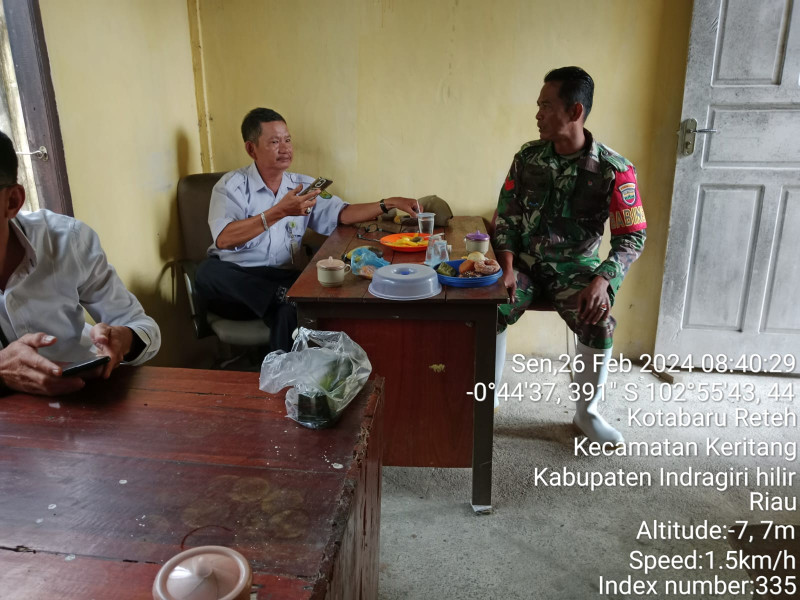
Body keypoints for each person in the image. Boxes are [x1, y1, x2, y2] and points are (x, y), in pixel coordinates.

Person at [492, 67, 646, 445]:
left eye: (547, 106)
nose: (538, 115)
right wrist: (506, 267)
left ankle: (586, 413)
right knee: (488, 305)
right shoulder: (528, 157)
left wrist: (602, 280)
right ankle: (488, 399)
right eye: (539, 106)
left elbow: (632, 237)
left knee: (599, 319)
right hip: (524, 263)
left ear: (575, 111)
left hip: (575, 269)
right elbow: (507, 217)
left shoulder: (614, 169)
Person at [196, 108, 422, 352]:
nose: (285, 148)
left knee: (289, 308)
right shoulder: (231, 187)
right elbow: (224, 239)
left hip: (283, 280)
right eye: (274, 142)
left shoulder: (303, 186)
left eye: (287, 140)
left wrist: (386, 203)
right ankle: (279, 297)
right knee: (207, 272)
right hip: (237, 289)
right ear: (251, 149)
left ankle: (282, 383)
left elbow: (342, 213)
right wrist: (279, 211)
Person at [0, 131, 161, 396]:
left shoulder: (67, 241)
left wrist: (123, 339)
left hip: (88, 402)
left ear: (13, 201)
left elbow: (143, 327)